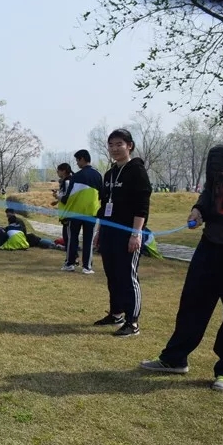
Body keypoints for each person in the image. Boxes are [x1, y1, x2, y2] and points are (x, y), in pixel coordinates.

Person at [140, 91, 223, 391]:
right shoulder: (217, 155)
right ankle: (175, 358)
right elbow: (209, 191)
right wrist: (198, 209)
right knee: (192, 302)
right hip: (210, 244)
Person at [93, 128, 152, 337]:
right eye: (111, 145)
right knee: (113, 274)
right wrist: (99, 231)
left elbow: (142, 206)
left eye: (119, 144)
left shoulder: (137, 171)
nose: (115, 149)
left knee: (128, 276)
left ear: (129, 146)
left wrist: (136, 234)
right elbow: (104, 206)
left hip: (128, 233)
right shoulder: (109, 174)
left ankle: (132, 322)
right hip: (109, 232)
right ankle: (116, 313)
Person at [63, 149, 103, 274]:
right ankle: (87, 266)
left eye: (77, 160)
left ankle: (70, 263)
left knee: (72, 239)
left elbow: (68, 196)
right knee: (88, 240)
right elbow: (102, 195)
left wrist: (60, 198)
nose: (76, 163)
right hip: (91, 212)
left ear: (82, 159)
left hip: (75, 213)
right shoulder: (98, 175)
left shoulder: (76, 176)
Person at [54, 163, 78, 270]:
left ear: (63, 171)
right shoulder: (65, 182)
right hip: (65, 213)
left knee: (68, 238)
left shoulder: (68, 182)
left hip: (68, 214)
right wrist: (57, 200)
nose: (57, 173)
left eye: (58, 170)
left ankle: (71, 260)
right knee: (67, 238)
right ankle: (73, 258)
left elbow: (67, 198)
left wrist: (57, 196)